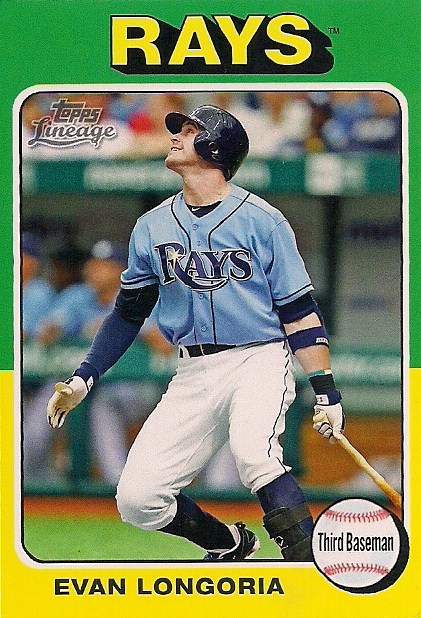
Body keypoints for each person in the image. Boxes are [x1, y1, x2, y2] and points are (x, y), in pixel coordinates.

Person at [46, 105, 345, 561]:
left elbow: (299, 311)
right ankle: (229, 544)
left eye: (189, 131)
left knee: (256, 456)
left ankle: (309, 567)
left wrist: (326, 391)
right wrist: (85, 376)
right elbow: (128, 313)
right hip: (192, 371)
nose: (175, 136)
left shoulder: (263, 220)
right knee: (138, 499)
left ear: (216, 148)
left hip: (257, 358)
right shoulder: (152, 226)